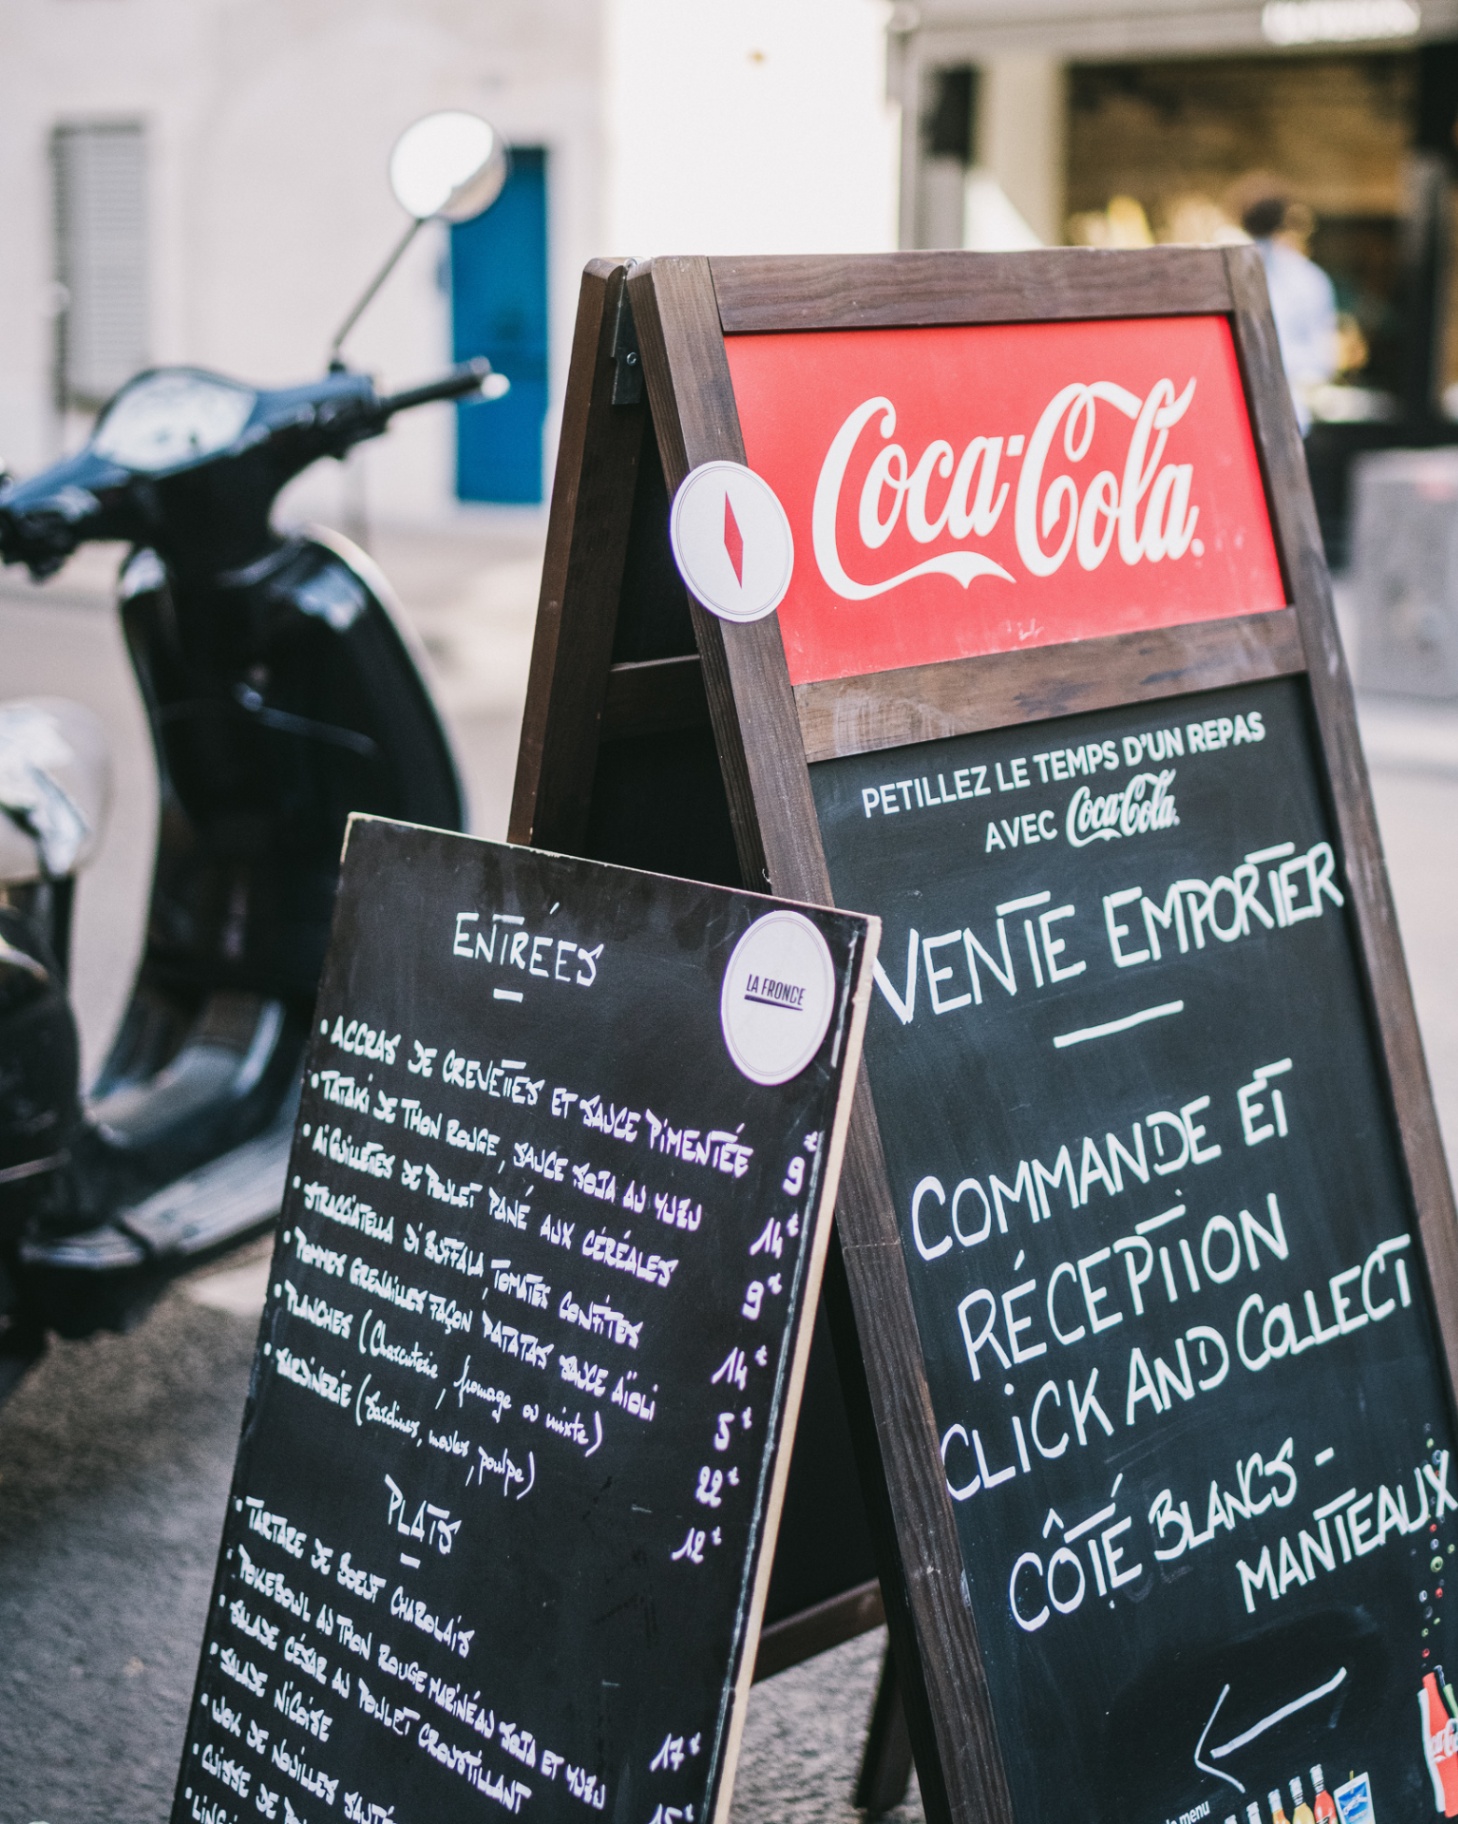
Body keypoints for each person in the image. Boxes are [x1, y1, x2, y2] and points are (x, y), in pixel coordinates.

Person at [1240, 187, 1338, 432]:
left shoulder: (1231, 274)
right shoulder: (1309, 278)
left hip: (1251, 408)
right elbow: (1322, 359)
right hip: (1289, 412)